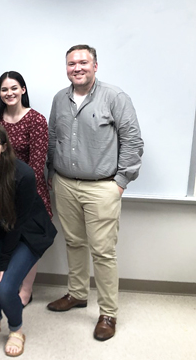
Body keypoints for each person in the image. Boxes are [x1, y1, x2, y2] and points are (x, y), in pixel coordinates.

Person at [46, 44, 143, 341]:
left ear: (95, 66)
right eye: (71, 63)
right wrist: (52, 176)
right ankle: (77, 294)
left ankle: (108, 312)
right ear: (66, 68)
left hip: (102, 187)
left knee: (103, 252)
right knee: (74, 243)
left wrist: (120, 182)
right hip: (64, 184)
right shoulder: (59, 99)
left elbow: (132, 140)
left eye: (83, 62)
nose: (77, 68)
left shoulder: (115, 97)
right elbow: (52, 138)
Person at [0, 122, 56, 356]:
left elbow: (19, 222)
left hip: (26, 232)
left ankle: (16, 330)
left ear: (3, 146)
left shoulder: (23, 174)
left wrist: (3, 261)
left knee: (5, 288)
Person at [0, 71, 52, 306]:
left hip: (29, 192)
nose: (9, 93)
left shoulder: (36, 120)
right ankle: (9, 282)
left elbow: (36, 165)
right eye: (4, 89)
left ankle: (26, 289)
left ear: (23, 90)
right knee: (5, 237)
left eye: (14, 88)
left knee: (29, 240)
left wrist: (18, 195)